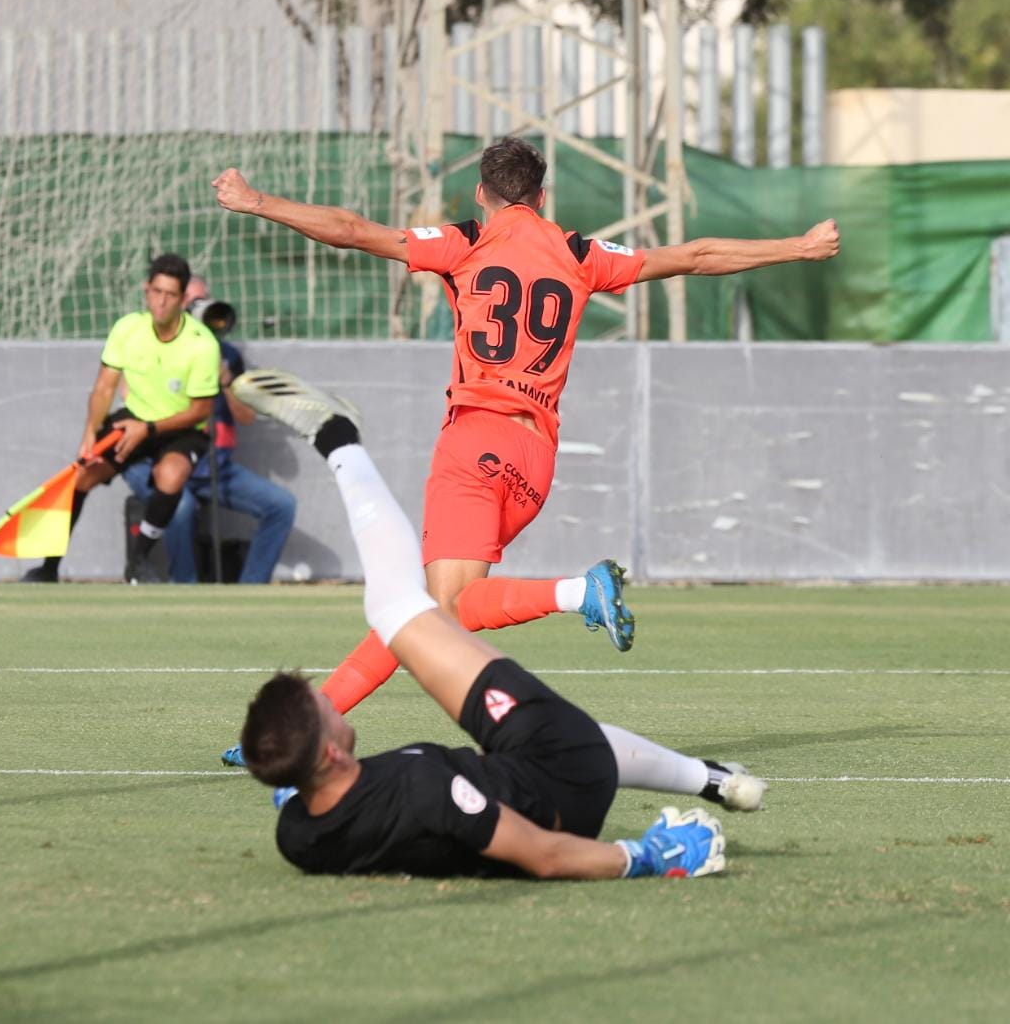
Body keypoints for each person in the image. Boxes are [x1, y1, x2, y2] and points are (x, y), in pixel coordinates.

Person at [213, 138, 841, 725]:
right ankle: (313, 721)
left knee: (442, 609)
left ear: (480, 194)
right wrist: (799, 247)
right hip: (535, 459)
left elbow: (352, 232)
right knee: (423, 611)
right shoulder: (580, 254)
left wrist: (256, 201)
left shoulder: (464, 243)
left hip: (475, 441)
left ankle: (577, 592)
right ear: (541, 196)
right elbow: (696, 257)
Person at [233, 370, 763, 879]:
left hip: (528, 773)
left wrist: (289, 766)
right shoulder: (426, 792)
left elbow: (317, 800)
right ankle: (338, 440)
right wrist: (646, 856)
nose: (331, 703)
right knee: (402, 607)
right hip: (564, 786)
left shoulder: (300, 835)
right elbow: (543, 856)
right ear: (329, 752)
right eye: (324, 708)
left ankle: (715, 780)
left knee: (429, 621)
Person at [22, 253, 221, 584]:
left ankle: (138, 561)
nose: (161, 302)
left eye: (171, 295)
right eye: (156, 292)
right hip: (134, 419)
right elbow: (104, 388)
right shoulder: (127, 328)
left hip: (180, 426)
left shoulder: (202, 345)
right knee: (82, 476)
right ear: (146, 290)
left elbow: (201, 411)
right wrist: (89, 434)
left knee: (171, 475)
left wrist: (149, 429)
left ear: (183, 299)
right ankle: (49, 567)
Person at [122, 276, 297, 583]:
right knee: (180, 506)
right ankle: (185, 590)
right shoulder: (152, 345)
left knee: (282, 506)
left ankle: (249, 592)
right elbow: (130, 397)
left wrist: (225, 380)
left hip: (213, 466)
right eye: (192, 301)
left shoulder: (226, 354)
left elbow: (246, 417)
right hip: (158, 462)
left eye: (203, 299)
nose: (199, 307)